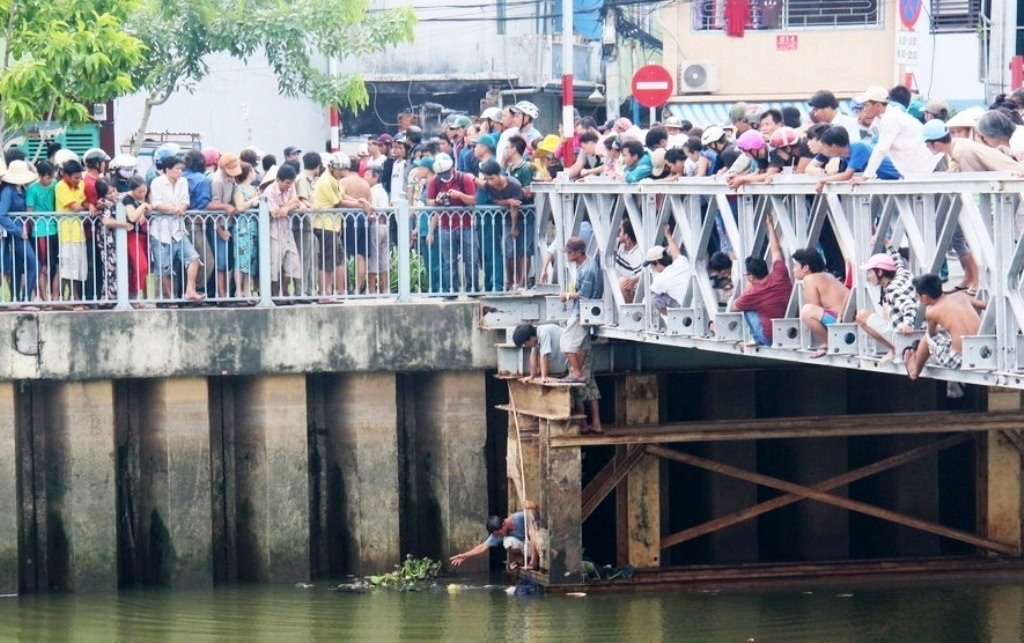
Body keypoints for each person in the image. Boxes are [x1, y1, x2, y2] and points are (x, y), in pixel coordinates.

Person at [903, 273, 984, 379]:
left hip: (961, 360)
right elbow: (986, 305)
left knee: (926, 339)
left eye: (917, 296)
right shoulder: (961, 296)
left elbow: (932, 336)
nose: (918, 300)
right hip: (982, 353)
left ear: (924, 297)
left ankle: (914, 371)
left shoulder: (932, 311)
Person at [149, 155, 205, 301]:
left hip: (178, 230)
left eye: (181, 169)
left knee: (194, 258)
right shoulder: (157, 182)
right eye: (177, 169)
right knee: (164, 267)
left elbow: (185, 201)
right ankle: (169, 297)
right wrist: (172, 209)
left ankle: (189, 290)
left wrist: (181, 208)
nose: (180, 172)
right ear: (167, 170)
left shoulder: (183, 182)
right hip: (161, 230)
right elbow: (156, 203)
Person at [732, 215, 791, 345]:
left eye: (746, 274)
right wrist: (770, 225)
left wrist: (749, 287)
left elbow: (734, 307)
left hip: (768, 338)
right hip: (788, 332)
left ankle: (755, 338)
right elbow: (776, 251)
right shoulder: (780, 273)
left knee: (746, 307)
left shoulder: (753, 293)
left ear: (752, 277)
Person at [855, 247, 918, 363]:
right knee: (885, 309)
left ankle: (894, 349)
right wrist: (889, 246)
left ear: (880, 272)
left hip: (902, 335)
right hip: (915, 329)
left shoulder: (892, 289)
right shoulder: (903, 273)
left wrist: (908, 323)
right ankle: (894, 348)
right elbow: (898, 262)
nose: (868, 277)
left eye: (870, 272)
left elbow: (909, 305)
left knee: (861, 316)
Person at [558, 236, 603, 383]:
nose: (568, 255)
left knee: (566, 342)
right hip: (584, 311)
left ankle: (577, 373)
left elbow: (585, 295)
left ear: (578, 252)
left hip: (582, 311)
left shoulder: (588, 269)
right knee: (582, 345)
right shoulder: (585, 265)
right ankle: (578, 372)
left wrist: (568, 295)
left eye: (569, 252)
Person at [449, 501, 541, 570]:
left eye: (499, 533)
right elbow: (483, 547)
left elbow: (539, 515)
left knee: (532, 531)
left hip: (538, 546)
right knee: (507, 542)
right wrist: (464, 556)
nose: (499, 535)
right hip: (526, 549)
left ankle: (533, 563)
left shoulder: (519, 517)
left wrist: (534, 506)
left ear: (504, 525)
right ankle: (521, 560)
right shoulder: (498, 533)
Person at [794, 247, 850, 357]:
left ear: (805, 268)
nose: (793, 270)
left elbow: (814, 307)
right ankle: (829, 342)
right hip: (846, 322)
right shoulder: (828, 275)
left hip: (839, 324)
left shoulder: (809, 279)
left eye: (795, 266)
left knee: (807, 311)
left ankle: (829, 344)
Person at [0, 160, 38, 307]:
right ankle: (25, 299)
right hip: (16, 233)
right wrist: (17, 231)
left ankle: (18, 299)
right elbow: (2, 215)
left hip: (21, 231)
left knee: (18, 266)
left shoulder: (21, 188)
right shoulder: (8, 191)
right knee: (33, 263)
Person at [26, 160, 59, 302]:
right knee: (43, 267)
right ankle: (44, 299)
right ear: (39, 175)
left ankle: (54, 297)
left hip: (54, 229)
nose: (50, 180)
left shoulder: (55, 185)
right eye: (47, 177)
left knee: (55, 265)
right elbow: (29, 211)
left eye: (51, 176)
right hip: (40, 232)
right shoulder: (32, 190)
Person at [646, 227, 691, 316]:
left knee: (654, 298)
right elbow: (676, 252)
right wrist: (668, 235)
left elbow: (651, 293)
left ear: (657, 262)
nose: (652, 269)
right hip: (695, 306)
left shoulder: (660, 279)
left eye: (652, 266)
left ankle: (671, 317)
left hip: (683, 312)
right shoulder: (682, 262)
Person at [120, 176, 151, 300]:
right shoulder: (128, 199)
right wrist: (143, 206)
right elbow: (132, 217)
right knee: (140, 265)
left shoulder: (146, 197)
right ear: (132, 191)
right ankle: (136, 294)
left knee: (147, 266)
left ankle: (142, 294)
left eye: (144, 191)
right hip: (133, 235)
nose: (143, 194)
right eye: (139, 192)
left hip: (145, 235)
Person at [615, 218, 643, 303]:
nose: (618, 234)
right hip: (616, 285)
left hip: (633, 289)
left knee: (623, 282)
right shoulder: (621, 246)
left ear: (626, 236)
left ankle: (630, 310)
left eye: (621, 231)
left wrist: (634, 280)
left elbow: (643, 274)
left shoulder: (638, 252)